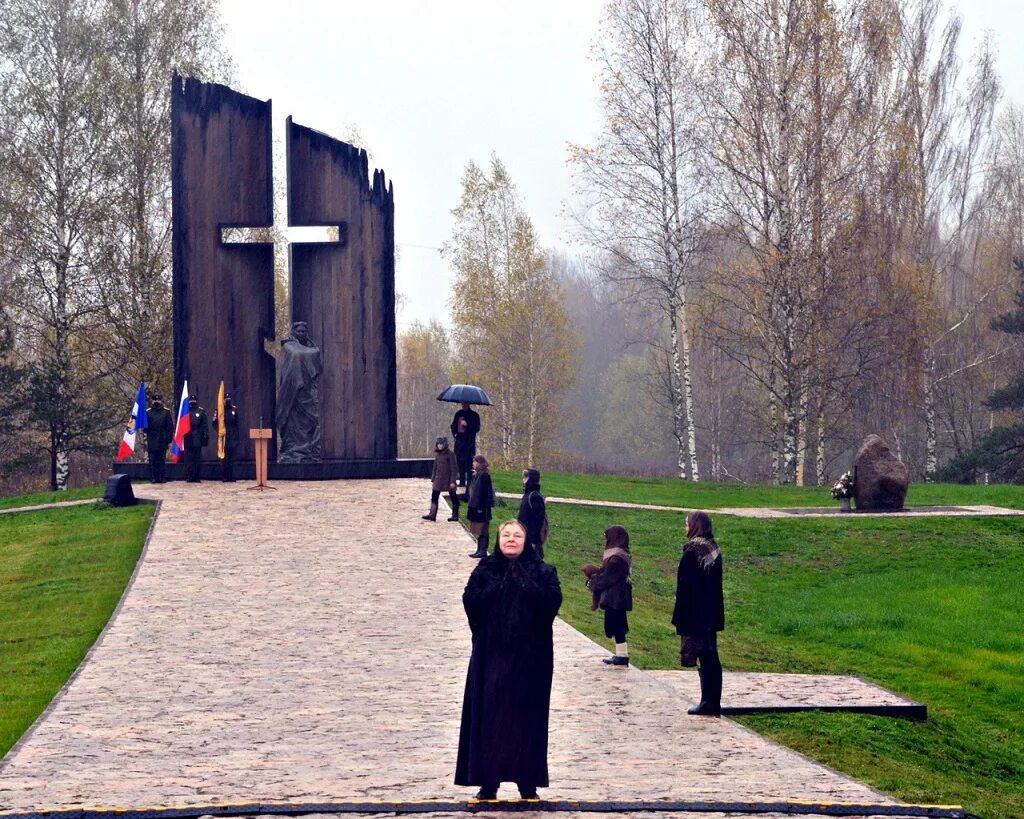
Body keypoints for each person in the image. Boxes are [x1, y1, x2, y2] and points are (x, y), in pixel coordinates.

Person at [455, 519, 562, 801]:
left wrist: (523, 580)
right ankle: (488, 781)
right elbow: (471, 602)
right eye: (506, 535)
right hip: (491, 658)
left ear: (527, 541)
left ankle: (528, 782)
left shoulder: (542, 571)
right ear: (498, 539)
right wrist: (500, 584)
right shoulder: (486, 569)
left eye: (517, 535)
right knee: (489, 718)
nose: (511, 539)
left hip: (530, 660)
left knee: (527, 719)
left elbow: (550, 605)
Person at [672, 511, 725, 716]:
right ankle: (711, 700)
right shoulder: (711, 548)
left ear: (695, 526)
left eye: (687, 524)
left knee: (706, 654)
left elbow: (687, 586)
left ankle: (708, 702)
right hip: (710, 610)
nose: (685, 528)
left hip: (697, 611)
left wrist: (682, 615)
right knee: (710, 654)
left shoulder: (694, 551)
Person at [582, 525, 634, 667]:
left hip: (615, 597)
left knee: (617, 625)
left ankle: (622, 656)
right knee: (618, 625)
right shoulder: (621, 554)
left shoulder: (616, 558)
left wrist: (592, 583)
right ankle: (621, 654)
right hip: (618, 596)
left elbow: (608, 577)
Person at [277, 320, 322, 463]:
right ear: (293, 332)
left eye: (304, 331)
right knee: (293, 425)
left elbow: (317, 363)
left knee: (311, 422)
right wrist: (314, 352)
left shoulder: (311, 346)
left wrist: (313, 351)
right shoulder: (289, 347)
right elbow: (298, 356)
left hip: (307, 392)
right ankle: (292, 452)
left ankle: (308, 451)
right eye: (299, 331)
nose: (301, 333)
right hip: (293, 393)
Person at [423, 436, 459, 521]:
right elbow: (435, 467)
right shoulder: (437, 454)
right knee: (434, 496)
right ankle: (432, 514)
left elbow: (454, 469)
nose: (440, 446)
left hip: (448, 479)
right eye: (438, 444)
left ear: (445, 444)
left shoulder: (450, 454)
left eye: (441, 444)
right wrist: (433, 479)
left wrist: (453, 481)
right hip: (438, 479)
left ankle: (455, 515)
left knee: (453, 497)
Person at [466, 454, 496, 558]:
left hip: (482, 507)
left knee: (483, 529)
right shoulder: (477, 475)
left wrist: (481, 507)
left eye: (475, 462)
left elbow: (485, 493)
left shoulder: (484, 476)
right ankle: (479, 549)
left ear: (479, 463)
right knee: (479, 530)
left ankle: (483, 550)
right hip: (476, 506)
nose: (473, 464)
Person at [517, 468, 547, 558]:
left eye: (526, 477)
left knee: (533, 562)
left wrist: (533, 540)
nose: (523, 479)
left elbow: (538, 520)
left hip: (531, 537)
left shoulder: (535, 496)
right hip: (524, 534)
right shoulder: (527, 494)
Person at [144, 393, 174, 483]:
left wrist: (169, 438)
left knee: (161, 460)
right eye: (155, 400)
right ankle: (154, 477)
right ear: (152, 401)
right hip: (152, 439)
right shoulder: (148, 412)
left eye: (158, 400)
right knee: (153, 460)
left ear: (161, 401)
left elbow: (170, 426)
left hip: (162, 439)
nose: (156, 401)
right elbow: (145, 427)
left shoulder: (166, 412)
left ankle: (162, 477)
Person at [450, 401, 481, 487]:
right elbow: (453, 426)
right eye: (462, 403)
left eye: (465, 403)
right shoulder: (458, 414)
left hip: (469, 444)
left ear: (468, 404)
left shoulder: (474, 415)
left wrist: (468, 425)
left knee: (469, 463)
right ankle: (462, 481)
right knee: (459, 463)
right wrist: (455, 434)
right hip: (459, 443)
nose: (463, 405)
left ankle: (470, 483)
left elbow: (477, 428)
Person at [213, 394, 240, 482]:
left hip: (232, 438)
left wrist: (236, 437)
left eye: (229, 398)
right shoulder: (219, 410)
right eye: (226, 399)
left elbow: (237, 424)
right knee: (224, 458)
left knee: (231, 459)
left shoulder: (234, 410)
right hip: (223, 437)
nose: (227, 400)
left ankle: (231, 476)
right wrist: (219, 432)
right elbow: (214, 423)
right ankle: (224, 476)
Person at [184, 396, 210, 483]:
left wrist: (205, 436)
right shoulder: (185, 411)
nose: (192, 402)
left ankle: (197, 476)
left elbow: (205, 426)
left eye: (194, 400)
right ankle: (190, 476)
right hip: (188, 438)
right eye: (191, 400)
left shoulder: (201, 411)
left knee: (197, 459)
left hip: (197, 438)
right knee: (189, 459)